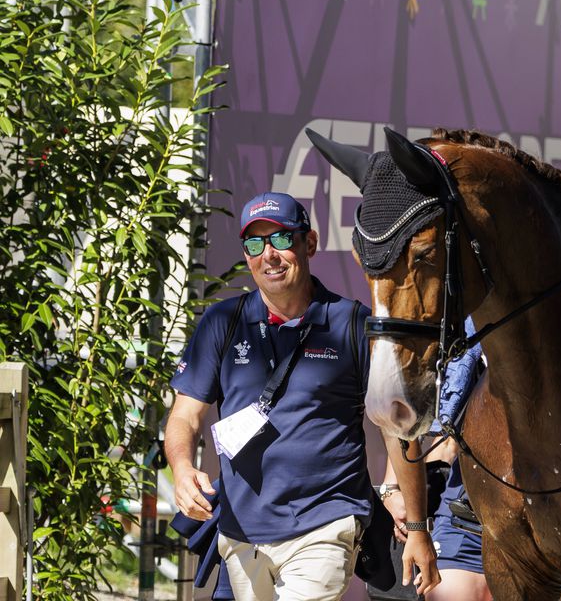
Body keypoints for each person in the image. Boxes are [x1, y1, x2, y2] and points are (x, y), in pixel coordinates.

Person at [165, 191, 440, 600]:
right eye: (255, 244)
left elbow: (396, 429)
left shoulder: (352, 324)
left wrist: (416, 527)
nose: (268, 256)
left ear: (308, 243)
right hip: (241, 533)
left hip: (325, 525)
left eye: (280, 239)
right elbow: (185, 416)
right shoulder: (223, 322)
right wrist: (183, 468)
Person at [369, 334, 491, 601]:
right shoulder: (457, 318)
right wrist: (392, 487)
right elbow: (401, 410)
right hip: (461, 499)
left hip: (536, 501)